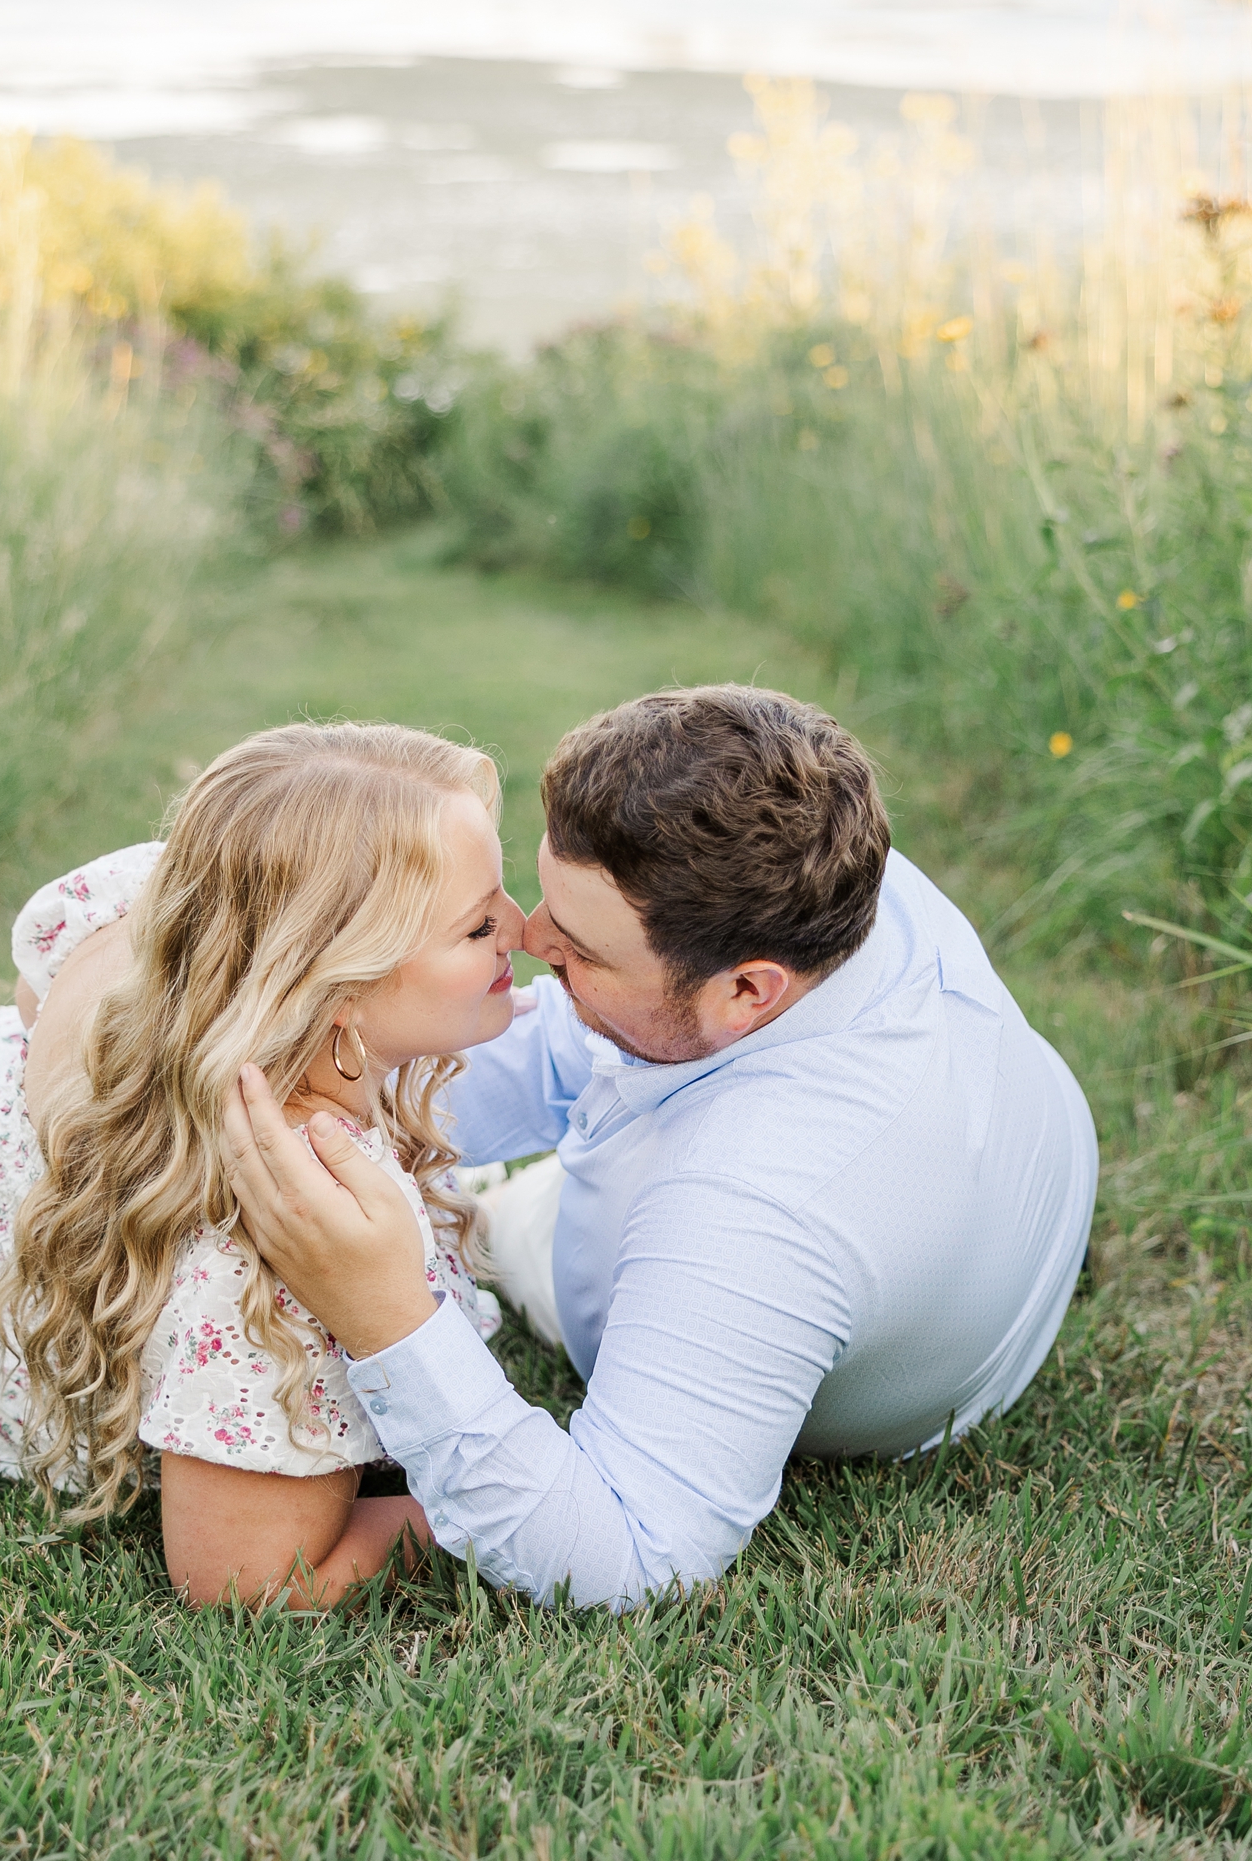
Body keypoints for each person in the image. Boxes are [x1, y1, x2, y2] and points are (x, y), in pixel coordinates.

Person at [222, 685, 1099, 1613]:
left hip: (879, 1312)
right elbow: (546, 1052)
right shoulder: (800, 880)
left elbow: (631, 1554)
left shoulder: (754, 1205)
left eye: (581, 950)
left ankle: (490, 1213)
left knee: (497, 1227)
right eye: (548, 897)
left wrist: (387, 1313)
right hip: (998, 1203)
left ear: (746, 994)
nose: (527, 937)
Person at [0, 723, 522, 1607]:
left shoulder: (187, 926)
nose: (524, 930)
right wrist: (482, 1505)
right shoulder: (277, 1234)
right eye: (479, 924)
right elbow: (245, 1578)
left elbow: (41, 984)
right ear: (337, 988)